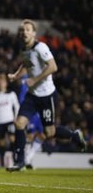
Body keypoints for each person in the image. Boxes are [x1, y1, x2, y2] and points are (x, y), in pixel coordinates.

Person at [6, 19, 87, 171]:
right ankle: (20, 161)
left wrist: (34, 80)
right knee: (19, 124)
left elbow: (53, 66)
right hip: (31, 96)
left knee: (49, 132)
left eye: (28, 30)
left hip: (46, 96)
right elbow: (27, 64)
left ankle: (74, 135)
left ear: (34, 33)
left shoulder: (41, 47)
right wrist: (16, 75)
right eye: (22, 30)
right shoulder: (24, 48)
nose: (24, 32)